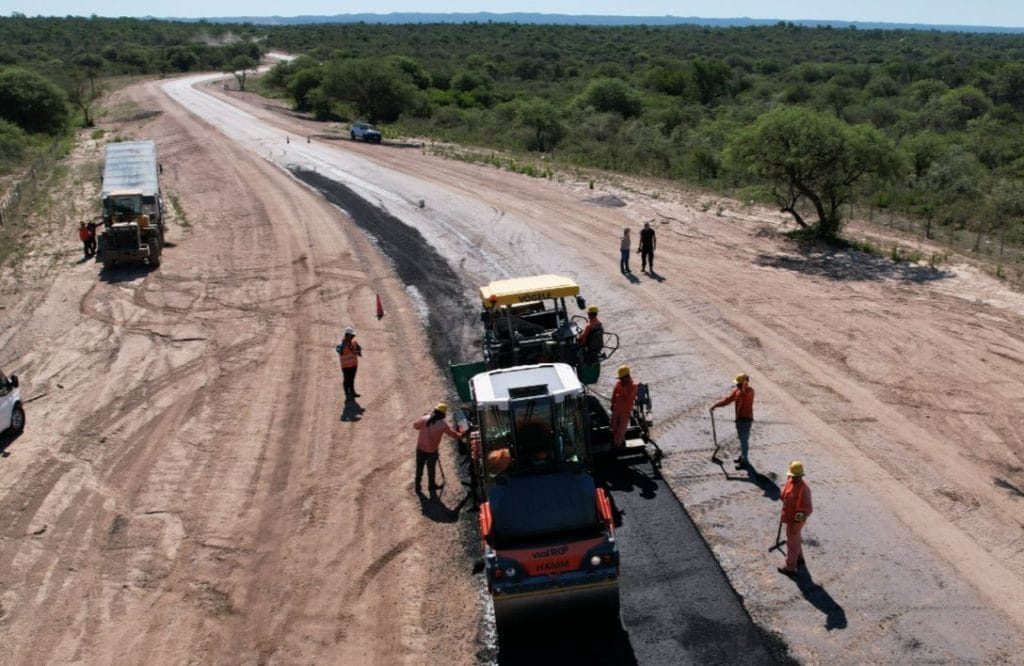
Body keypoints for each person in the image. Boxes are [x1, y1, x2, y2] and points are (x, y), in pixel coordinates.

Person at [413, 403, 463, 496]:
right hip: (431, 450)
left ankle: (417, 487)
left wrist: (423, 417)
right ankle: (431, 486)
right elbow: (453, 435)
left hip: (420, 448)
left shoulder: (425, 419)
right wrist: (461, 435)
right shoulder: (442, 425)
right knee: (431, 469)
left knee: (419, 468)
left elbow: (415, 426)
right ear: (443, 414)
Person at [711, 372, 755, 470]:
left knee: (744, 442)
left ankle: (745, 462)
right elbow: (728, 399)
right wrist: (716, 405)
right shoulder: (737, 390)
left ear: (743, 384)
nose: (736, 385)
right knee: (742, 440)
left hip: (746, 421)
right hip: (739, 420)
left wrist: (744, 385)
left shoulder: (750, 392)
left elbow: (744, 394)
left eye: (738, 383)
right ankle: (742, 457)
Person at [778, 460, 813, 576]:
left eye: (795, 476)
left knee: (791, 543)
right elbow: (783, 495)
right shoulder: (790, 482)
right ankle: (799, 559)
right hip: (789, 517)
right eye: (791, 476)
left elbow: (806, 510)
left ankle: (790, 567)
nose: (792, 478)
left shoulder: (804, 490)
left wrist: (796, 525)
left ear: (800, 476)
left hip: (796, 521)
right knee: (795, 540)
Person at [610, 365, 639, 447]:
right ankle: (622, 442)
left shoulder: (634, 384)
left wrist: (624, 387)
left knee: (621, 430)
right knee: (614, 427)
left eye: (622, 379)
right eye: (620, 379)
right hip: (616, 410)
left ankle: (617, 444)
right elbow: (614, 394)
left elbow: (629, 397)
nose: (621, 380)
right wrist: (612, 404)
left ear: (627, 377)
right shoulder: (619, 384)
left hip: (625, 412)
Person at [335, 327, 362, 401]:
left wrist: (359, 350)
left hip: (354, 365)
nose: (353, 337)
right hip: (346, 366)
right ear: (347, 335)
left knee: (352, 379)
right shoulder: (342, 345)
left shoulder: (353, 342)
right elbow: (339, 350)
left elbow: (359, 348)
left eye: (353, 336)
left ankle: (352, 393)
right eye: (351, 336)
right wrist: (344, 345)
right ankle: (347, 395)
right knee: (346, 380)